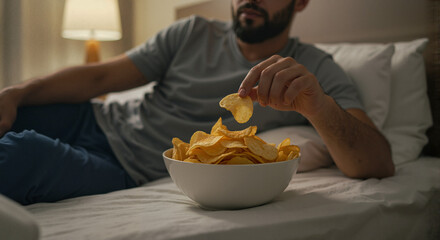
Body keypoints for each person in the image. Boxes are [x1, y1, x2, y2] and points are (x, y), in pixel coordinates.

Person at [0, 0, 394, 205]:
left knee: (22, 154)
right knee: (16, 114)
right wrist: (17, 92)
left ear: (301, 2)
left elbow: (377, 161)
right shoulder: (192, 32)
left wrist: (317, 106)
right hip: (92, 118)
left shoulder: (313, 70)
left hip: (123, 168)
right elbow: (102, 76)